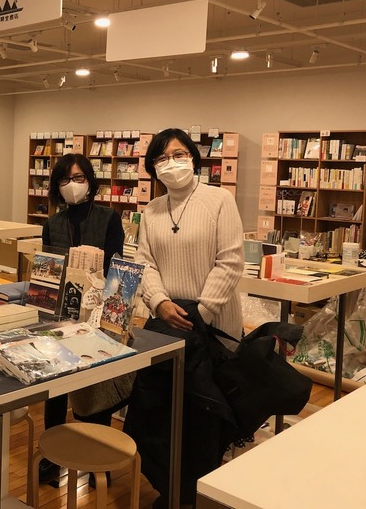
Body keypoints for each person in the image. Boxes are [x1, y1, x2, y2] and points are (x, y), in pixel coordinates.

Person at [124, 128, 245, 509]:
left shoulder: (219, 200)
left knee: (204, 414)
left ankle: (202, 492)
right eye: (161, 158)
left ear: (193, 157)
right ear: (152, 167)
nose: (171, 163)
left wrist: (201, 314)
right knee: (162, 412)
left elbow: (230, 261)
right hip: (166, 324)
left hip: (213, 326)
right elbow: (144, 263)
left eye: (178, 154)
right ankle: (171, 488)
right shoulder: (152, 210)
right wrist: (159, 302)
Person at [39, 153, 125, 483]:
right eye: (65, 179)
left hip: (98, 316)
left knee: (95, 386)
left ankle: (97, 458)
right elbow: (47, 270)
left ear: (89, 181)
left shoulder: (108, 218)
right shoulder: (52, 224)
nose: (72, 185)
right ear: (56, 186)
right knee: (55, 385)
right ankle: (51, 455)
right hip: (60, 315)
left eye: (78, 178)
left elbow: (117, 270)